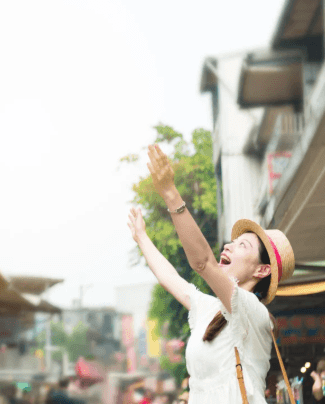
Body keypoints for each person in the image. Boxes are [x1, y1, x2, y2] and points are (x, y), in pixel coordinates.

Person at [126, 145, 295, 404]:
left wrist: (171, 194)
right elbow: (170, 279)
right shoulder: (209, 309)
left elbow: (203, 262)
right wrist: (142, 237)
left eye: (243, 246)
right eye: (233, 242)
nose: (228, 246)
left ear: (262, 270)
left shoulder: (254, 313)